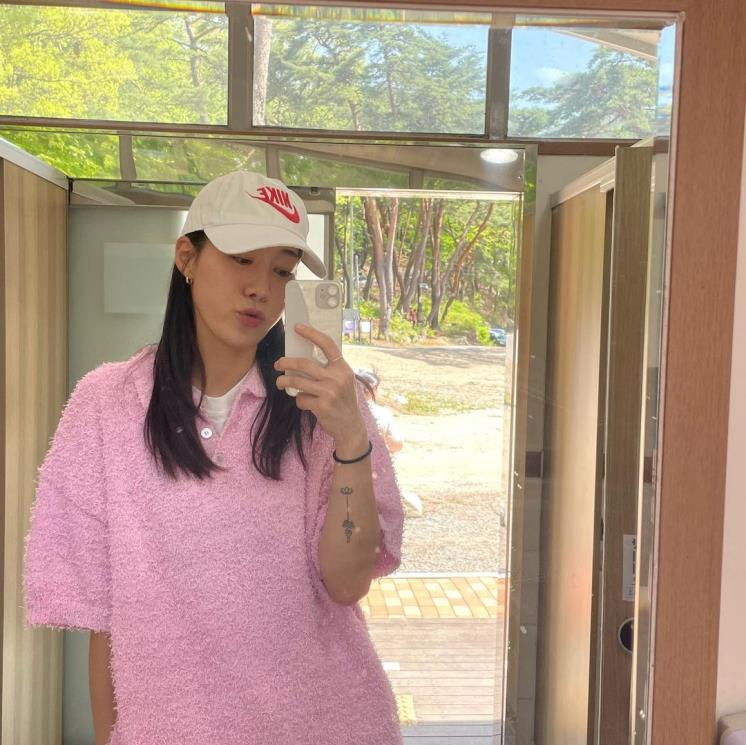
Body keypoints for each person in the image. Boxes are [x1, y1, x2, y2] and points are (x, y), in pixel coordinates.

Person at [23, 170, 405, 745]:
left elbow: (347, 585)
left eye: (281, 271)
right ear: (187, 257)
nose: (261, 289)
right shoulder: (107, 403)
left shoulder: (323, 406)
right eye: (242, 259)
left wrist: (351, 439)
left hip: (325, 722)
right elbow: (105, 616)